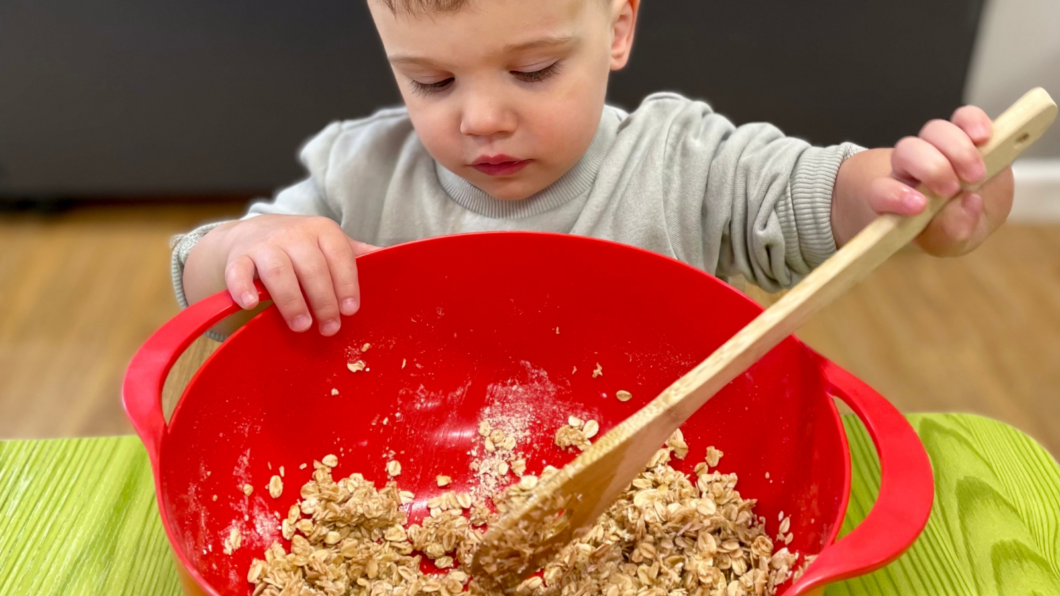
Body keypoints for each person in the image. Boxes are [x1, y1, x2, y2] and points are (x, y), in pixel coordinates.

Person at [172, 0, 1013, 339]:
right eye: (430, 81)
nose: (481, 119)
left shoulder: (684, 165)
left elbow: (812, 197)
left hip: (659, 488)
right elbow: (204, 278)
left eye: (533, 72)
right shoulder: (364, 172)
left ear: (617, 27)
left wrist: (914, 191)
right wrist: (261, 248)